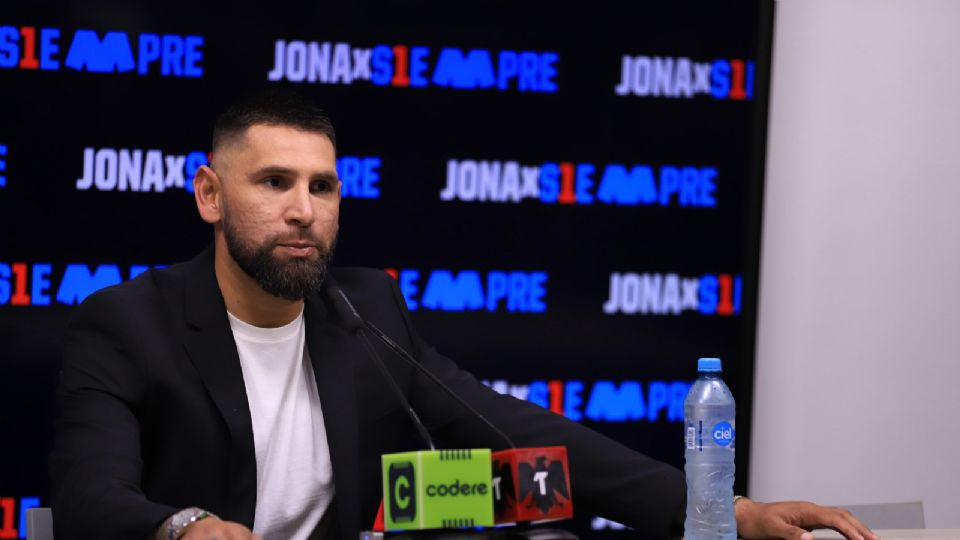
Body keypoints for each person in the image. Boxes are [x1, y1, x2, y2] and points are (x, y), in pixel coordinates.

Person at [50, 91, 876, 540]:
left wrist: (718, 511)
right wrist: (185, 529)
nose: (303, 210)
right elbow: (88, 495)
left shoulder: (361, 310)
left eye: (323, 187)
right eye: (274, 183)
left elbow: (508, 427)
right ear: (209, 194)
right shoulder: (129, 324)